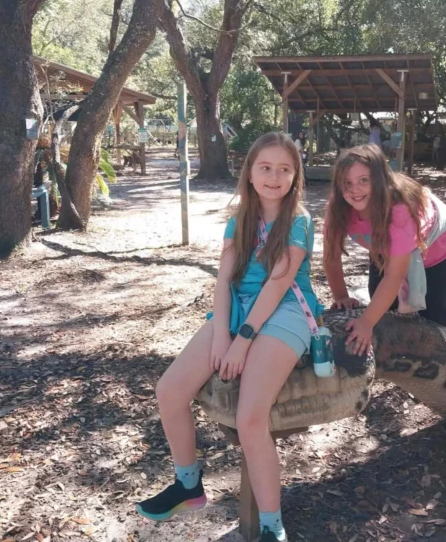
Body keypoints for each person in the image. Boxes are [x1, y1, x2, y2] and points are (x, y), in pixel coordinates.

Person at [136, 132, 322, 542]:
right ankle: (188, 484)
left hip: (286, 309)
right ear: (250, 172)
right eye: (265, 167)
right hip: (239, 306)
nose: (274, 177)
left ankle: (272, 525)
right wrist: (221, 334)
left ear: (296, 176)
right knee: (169, 390)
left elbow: (277, 284)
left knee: (250, 417)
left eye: (284, 169)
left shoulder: (299, 220)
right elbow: (223, 281)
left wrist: (243, 341)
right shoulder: (239, 219)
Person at [323, 145, 446, 354]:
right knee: (381, 302)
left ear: (379, 180)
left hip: (433, 244)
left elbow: (394, 276)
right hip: (384, 242)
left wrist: (366, 322)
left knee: (431, 312)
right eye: (347, 183)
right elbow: (331, 257)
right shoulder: (337, 208)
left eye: (363, 180)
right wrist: (341, 296)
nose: (354, 189)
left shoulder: (400, 212)